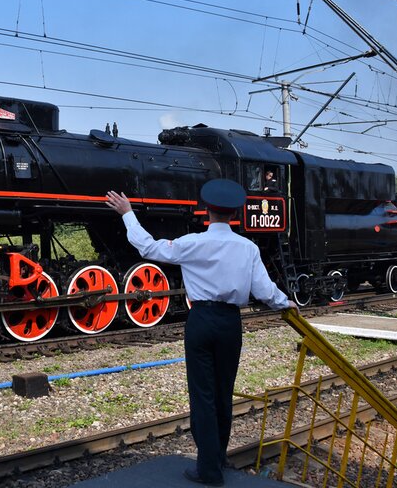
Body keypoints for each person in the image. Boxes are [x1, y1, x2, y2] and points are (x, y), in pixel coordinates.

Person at [105, 179, 296, 486]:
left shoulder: (192, 242)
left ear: (207, 211)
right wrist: (285, 304)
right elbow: (264, 290)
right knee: (223, 392)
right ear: (235, 213)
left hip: (201, 321)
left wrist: (127, 213)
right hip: (231, 323)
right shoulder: (248, 248)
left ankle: (208, 467)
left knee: (203, 395)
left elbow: (149, 247)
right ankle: (219, 457)